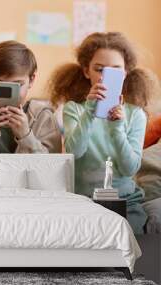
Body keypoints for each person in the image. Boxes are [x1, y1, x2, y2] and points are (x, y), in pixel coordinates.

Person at [48, 32, 160, 234]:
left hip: (125, 200)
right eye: (99, 70)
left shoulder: (135, 114)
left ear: (126, 72)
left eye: (115, 70)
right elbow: (75, 152)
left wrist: (117, 128)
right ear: (86, 71)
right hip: (83, 200)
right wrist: (90, 112)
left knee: (129, 238)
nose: (105, 77)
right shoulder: (74, 109)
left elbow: (129, 169)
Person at [0, 40, 61, 153]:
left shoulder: (44, 118)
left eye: (17, 85)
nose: (9, 93)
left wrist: (25, 136)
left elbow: (51, 167)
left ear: (32, 79)